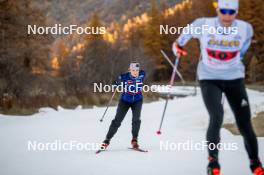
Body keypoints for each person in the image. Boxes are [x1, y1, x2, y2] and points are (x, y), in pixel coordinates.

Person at [172, 0, 264, 174]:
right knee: (217, 116)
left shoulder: (245, 28)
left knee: (244, 122)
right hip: (209, 78)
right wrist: (178, 47)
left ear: (236, 12)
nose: (227, 16)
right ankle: (213, 162)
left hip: (234, 78)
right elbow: (181, 39)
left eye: (232, 12)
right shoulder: (203, 24)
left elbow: (243, 50)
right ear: (218, 9)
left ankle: (255, 163)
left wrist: (234, 64)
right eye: (224, 11)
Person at [100, 62, 145, 150]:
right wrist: (117, 83)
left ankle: (134, 140)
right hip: (125, 101)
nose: (135, 72)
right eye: (133, 70)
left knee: (136, 119)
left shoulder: (142, 74)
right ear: (129, 70)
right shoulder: (124, 76)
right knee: (117, 120)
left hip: (137, 100)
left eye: (137, 70)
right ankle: (106, 140)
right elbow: (115, 84)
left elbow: (137, 79)